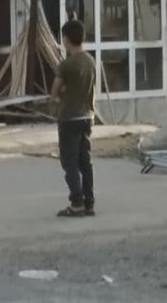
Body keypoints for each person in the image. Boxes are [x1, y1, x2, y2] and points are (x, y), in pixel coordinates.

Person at [50, 20, 96, 218]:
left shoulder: (67, 65)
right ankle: (88, 203)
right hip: (87, 117)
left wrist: (61, 94)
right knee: (85, 162)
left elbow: (54, 91)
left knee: (70, 163)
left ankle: (76, 203)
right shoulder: (90, 61)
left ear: (66, 39)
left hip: (69, 118)